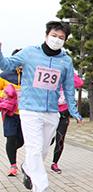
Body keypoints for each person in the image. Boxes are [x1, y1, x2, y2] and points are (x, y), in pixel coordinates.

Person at [0, 21, 83, 192]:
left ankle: (28, 168)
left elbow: (68, 87)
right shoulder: (30, 53)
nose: (56, 39)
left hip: (52, 111)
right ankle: (41, 187)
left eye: (61, 37)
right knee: (35, 149)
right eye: (54, 35)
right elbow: (7, 65)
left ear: (65, 40)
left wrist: (74, 111)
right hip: (30, 109)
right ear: (46, 35)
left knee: (43, 149)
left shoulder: (66, 61)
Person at [50, 72, 84, 174]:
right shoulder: (52, 74)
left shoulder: (68, 77)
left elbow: (79, 83)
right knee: (47, 140)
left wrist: (69, 71)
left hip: (64, 113)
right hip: (51, 112)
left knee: (60, 139)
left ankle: (54, 163)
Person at [0, 49, 24, 177]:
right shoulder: (5, 75)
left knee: (21, 140)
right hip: (10, 113)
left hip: (26, 113)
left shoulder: (30, 76)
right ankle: (13, 166)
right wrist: (5, 94)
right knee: (11, 137)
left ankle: (11, 151)